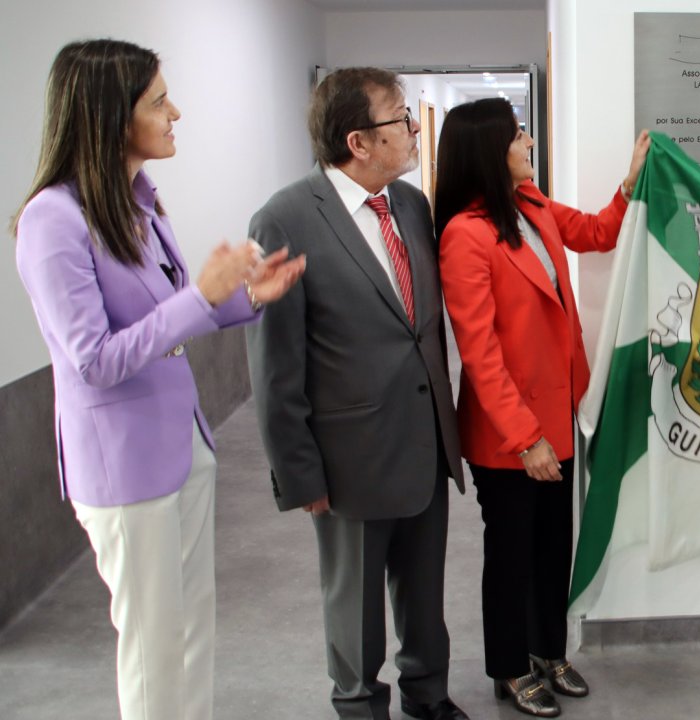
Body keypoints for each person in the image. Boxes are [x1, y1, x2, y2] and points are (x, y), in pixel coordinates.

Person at [12, 39, 305, 720]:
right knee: (152, 645)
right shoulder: (51, 220)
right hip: (124, 467)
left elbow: (174, 312)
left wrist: (248, 296)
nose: (177, 112)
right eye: (158, 101)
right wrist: (202, 295)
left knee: (192, 630)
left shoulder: (138, 200)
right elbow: (95, 359)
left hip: (184, 446)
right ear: (112, 116)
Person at [245, 68, 468, 720]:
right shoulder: (285, 219)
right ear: (359, 141)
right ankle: (359, 705)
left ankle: (429, 697)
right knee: (356, 606)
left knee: (424, 595)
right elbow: (273, 364)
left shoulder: (410, 205)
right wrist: (298, 471)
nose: (414, 129)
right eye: (402, 119)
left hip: (425, 441)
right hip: (349, 459)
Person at [434, 98, 648, 717]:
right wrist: (526, 438)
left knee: (555, 546)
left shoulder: (530, 204)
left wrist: (628, 185)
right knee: (511, 555)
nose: (528, 140)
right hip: (510, 434)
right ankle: (507, 666)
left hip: (558, 415)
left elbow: (596, 232)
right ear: (489, 150)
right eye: (517, 133)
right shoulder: (464, 236)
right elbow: (481, 354)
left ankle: (548, 651)